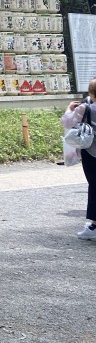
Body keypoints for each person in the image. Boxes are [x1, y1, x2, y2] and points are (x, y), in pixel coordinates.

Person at [62, 78, 96, 240]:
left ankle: (94, 226)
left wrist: (69, 109)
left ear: (91, 93)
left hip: (91, 152)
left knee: (94, 186)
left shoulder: (85, 108)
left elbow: (67, 122)